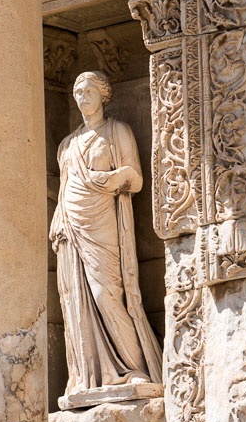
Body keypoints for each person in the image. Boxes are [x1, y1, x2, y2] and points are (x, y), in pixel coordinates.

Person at [50, 70, 162, 404]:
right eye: (77, 92)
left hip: (103, 222)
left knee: (106, 294)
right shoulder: (67, 144)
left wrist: (111, 179)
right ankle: (88, 376)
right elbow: (64, 188)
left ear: (103, 95)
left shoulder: (117, 131)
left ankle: (134, 367)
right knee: (76, 299)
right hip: (71, 225)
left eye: (88, 91)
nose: (81, 98)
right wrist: (58, 222)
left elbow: (135, 180)